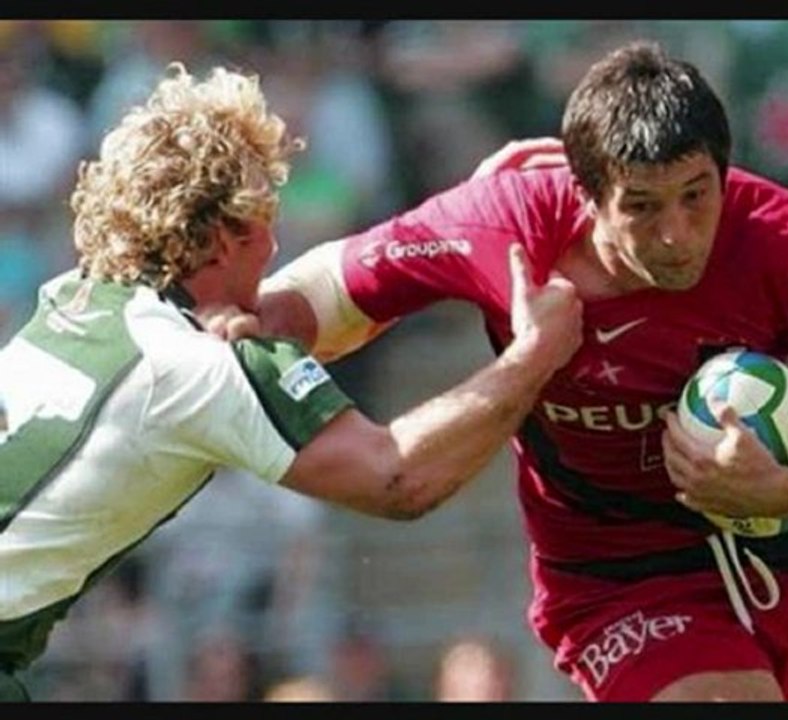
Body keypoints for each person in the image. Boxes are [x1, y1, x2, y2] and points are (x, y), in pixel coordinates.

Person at [245, 40, 788, 702]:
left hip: (785, 539)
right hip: (619, 574)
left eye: (697, 194)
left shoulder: (785, 237)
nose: (676, 233)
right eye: (641, 206)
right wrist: (233, 322)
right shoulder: (504, 225)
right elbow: (324, 292)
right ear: (583, 189)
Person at [0, 62, 582, 702]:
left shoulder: (77, 297)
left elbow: (288, 312)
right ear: (224, 238)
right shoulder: (195, 367)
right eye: (264, 222)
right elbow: (397, 477)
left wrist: (463, 221)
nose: (274, 247)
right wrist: (533, 357)